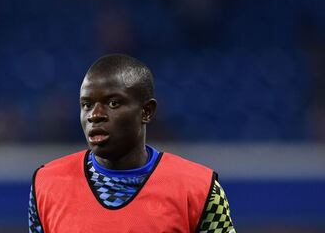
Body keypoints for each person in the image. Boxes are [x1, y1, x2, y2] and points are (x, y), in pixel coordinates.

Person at [28, 54, 236, 233]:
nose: (95, 115)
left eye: (113, 103)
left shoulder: (198, 190)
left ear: (146, 112)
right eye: (87, 104)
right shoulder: (46, 186)